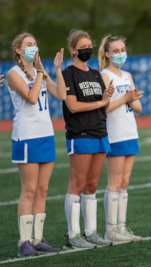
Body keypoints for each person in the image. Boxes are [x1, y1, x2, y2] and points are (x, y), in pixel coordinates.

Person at [7, 32, 66, 257]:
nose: (34, 47)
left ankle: (38, 239)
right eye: (28, 45)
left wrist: (57, 70)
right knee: (29, 191)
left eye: (35, 44)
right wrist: (40, 73)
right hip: (27, 136)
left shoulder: (39, 71)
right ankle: (25, 242)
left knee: (43, 190)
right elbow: (31, 98)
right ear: (19, 51)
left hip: (46, 135)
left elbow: (60, 94)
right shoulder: (13, 73)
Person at [62, 29, 114, 249]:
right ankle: (73, 235)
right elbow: (72, 106)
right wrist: (100, 103)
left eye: (89, 45)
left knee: (92, 185)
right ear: (73, 49)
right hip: (80, 134)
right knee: (77, 184)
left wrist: (106, 98)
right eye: (82, 47)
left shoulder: (95, 73)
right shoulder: (68, 73)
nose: (87, 49)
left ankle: (91, 232)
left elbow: (105, 105)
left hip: (100, 132)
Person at [98, 35, 144, 243]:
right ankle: (111, 230)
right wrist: (125, 98)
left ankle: (122, 228)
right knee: (114, 182)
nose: (120, 54)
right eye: (115, 51)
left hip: (130, 132)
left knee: (124, 182)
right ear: (107, 53)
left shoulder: (127, 75)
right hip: (114, 133)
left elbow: (139, 109)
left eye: (122, 49)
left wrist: (132, 99)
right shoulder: (105, 75)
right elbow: (103, 107)